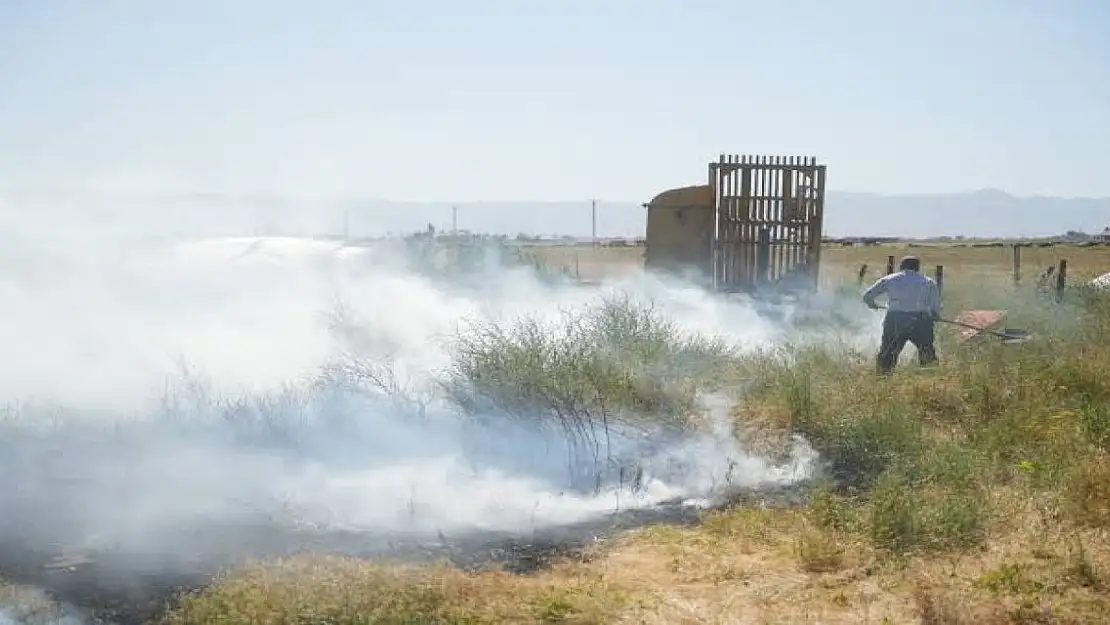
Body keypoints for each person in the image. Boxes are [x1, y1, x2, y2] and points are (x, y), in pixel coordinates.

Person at [862, 256, 941, 375]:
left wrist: (872, 304)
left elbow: (867, 296)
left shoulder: (890, 279)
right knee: (926, 351)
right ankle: (930, 378)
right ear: (918, 268)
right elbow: (935, 307)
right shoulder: (928, 282)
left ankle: (882, 379)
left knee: (888, 353)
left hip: (895, 319)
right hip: (920, 320)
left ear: (901, 266)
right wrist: (934, 315)